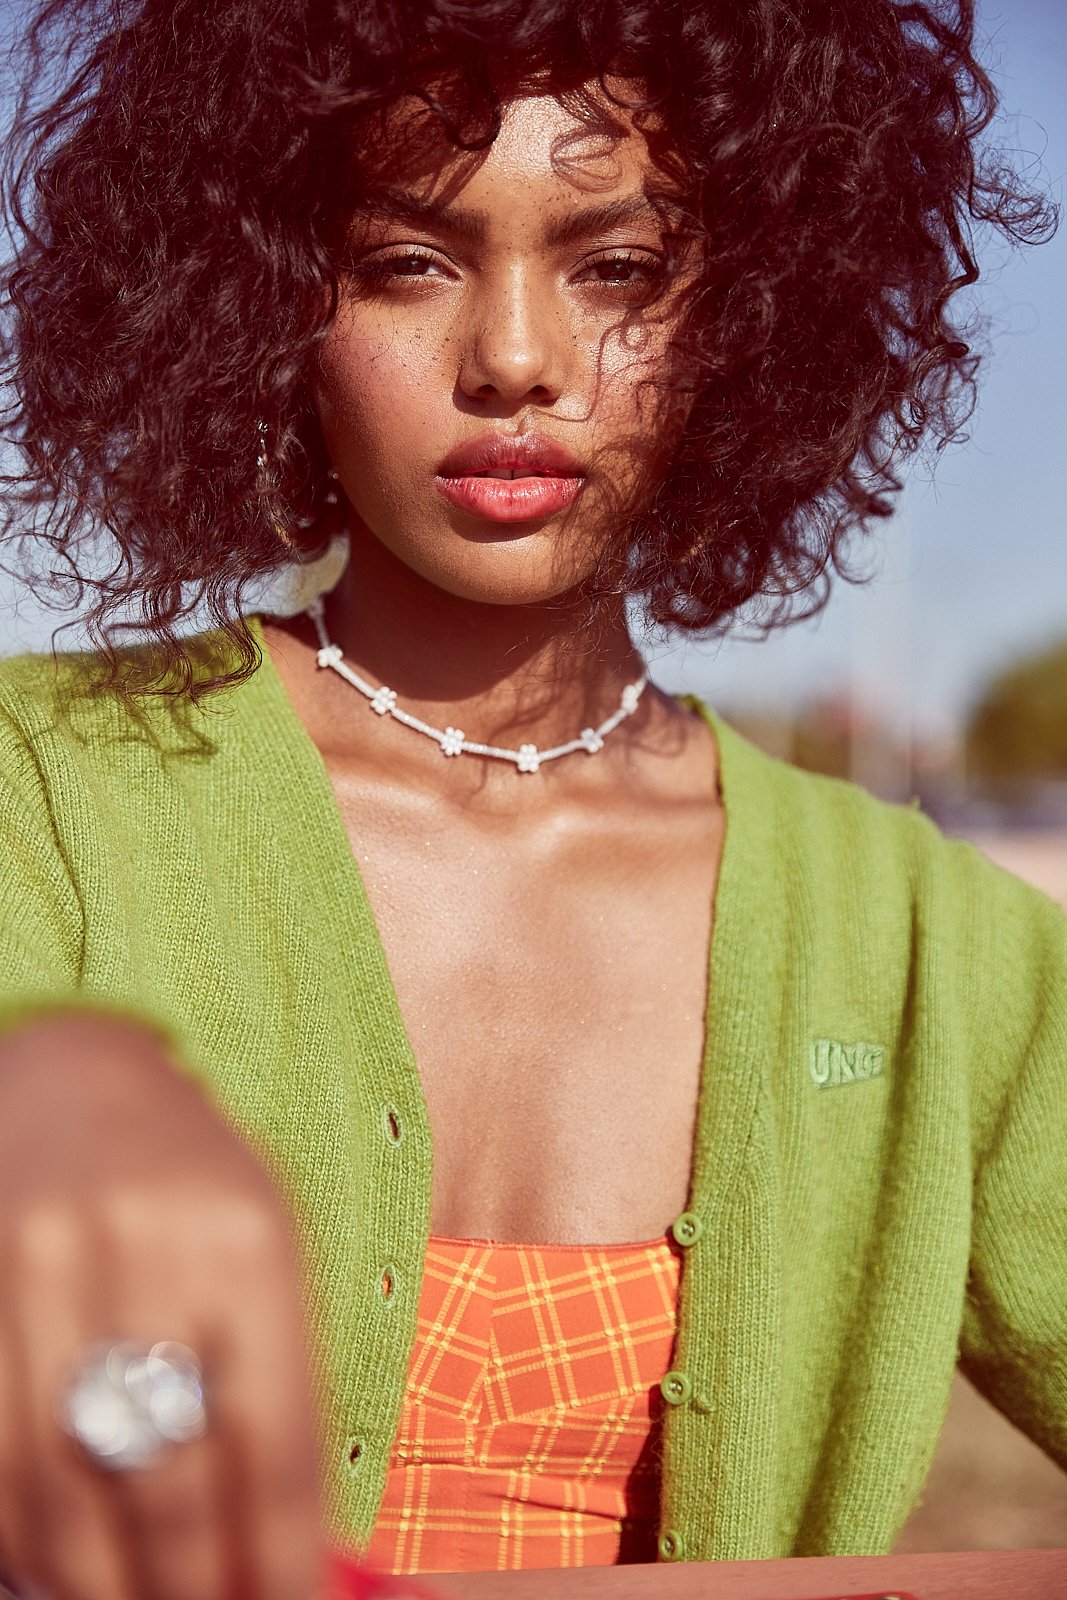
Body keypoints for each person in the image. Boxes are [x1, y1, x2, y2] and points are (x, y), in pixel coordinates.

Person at [0, 0, 1064, 1595]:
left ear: (758, 312)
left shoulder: (926, 950)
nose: (516, 359)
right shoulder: (41, 802)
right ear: (260, 303)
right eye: (406, 262)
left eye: (619, 269)